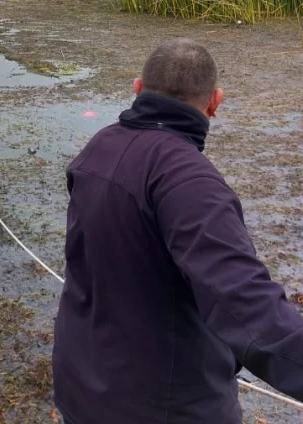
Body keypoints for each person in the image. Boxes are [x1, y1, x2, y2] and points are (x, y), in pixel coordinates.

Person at [53, 38, 303, 424]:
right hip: (165, 407)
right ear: (215, 103)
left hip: (81, 387)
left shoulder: (97, 147)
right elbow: (246, 303)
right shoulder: (190, 180)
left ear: (137, 88)